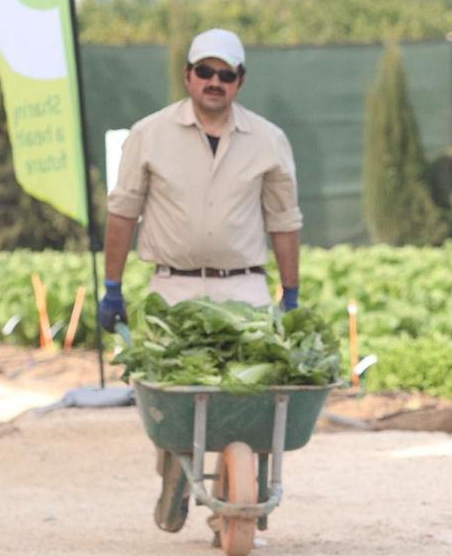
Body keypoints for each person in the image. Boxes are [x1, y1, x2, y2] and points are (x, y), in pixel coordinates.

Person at [98, 27, 303, 332]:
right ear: (187, 75)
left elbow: (283, 221)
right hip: (171, 293)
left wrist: (291, 296)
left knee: (246, 380)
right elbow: (123, 212)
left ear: (241, 81)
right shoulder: (148, 134)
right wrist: (112, 287)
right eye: (205, 71)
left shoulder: (269, 140)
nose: (214, 82)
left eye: (226, 75)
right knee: (169, 380)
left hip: (245, 293)